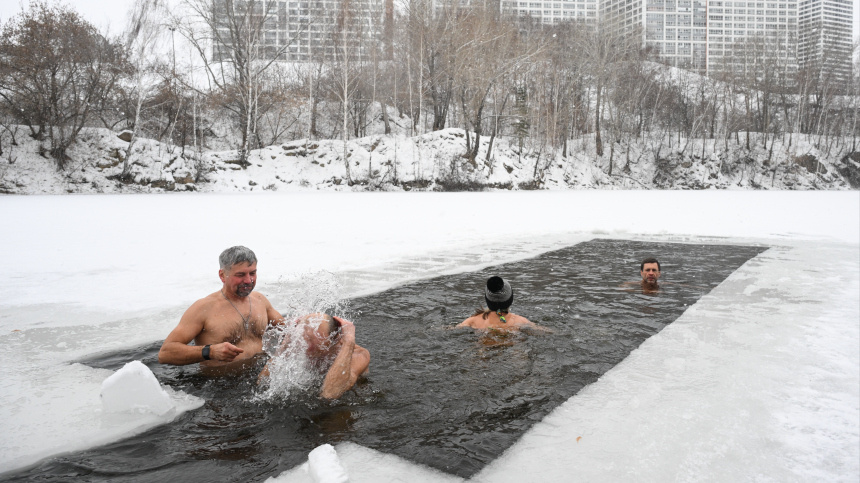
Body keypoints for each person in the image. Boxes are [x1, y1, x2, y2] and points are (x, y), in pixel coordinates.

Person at [158, 246, 369, 399]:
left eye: (253, 273)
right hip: (220, 386)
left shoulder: (260, 301)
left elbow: (291, 330)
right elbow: (166, 353)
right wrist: (210, 351)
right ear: (223, 275)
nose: (249, 280)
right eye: (240, 275)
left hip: (259, 376)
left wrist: (330, 333)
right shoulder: (203, 308)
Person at [259, 312, 370, 400]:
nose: (306, 348)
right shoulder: (299, 345)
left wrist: (349, 341)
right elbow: (262, 382)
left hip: (346, 403)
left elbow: (330, 395)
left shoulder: (358, 355)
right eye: (304, 339)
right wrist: (286, 343)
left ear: (335, 337)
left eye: (312, 342)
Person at [457, 276, 540, 331]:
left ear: (487, 299)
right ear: (510, 299)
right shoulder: (520, 321)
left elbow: (451, 329)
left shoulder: (472, 321)